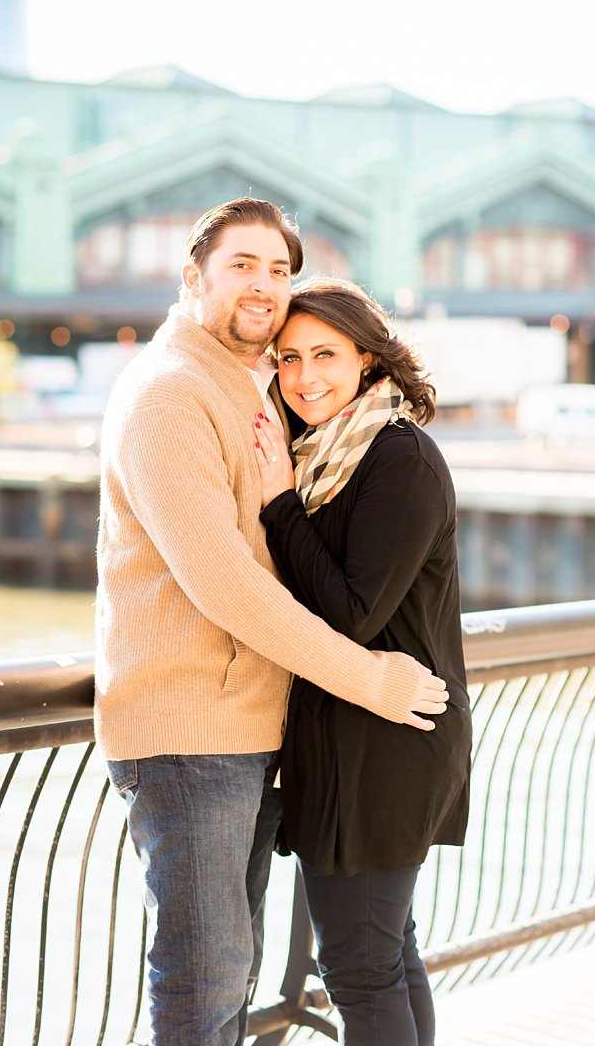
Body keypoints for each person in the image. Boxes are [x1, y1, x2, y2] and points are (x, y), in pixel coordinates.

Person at [96, 198, 449, 1046]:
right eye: (242, 265)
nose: (264, 284)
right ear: (193, 277)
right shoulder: (170, 395)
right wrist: (370, 678)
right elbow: (226, 584)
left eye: (279, 269)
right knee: (207, 973)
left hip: (250, 732)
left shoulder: (249, 394)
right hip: (190, 735)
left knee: (236, 970)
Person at [252, 278, 472, 1046]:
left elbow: (352, 613)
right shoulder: (325, 453)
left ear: (369, 360)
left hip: (385, 741)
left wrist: (280, 505)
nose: (305, 376)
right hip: (353, 735)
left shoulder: (395, 454)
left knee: (357, 967)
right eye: (288, 358)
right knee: (385, 954)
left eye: (325, 355)